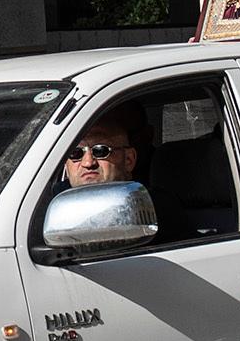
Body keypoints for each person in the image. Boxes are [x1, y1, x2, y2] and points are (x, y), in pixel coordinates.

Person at [58, 105, 197, 246]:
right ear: (65, 163)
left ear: (129, 160)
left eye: (100, 151)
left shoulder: (153, 206)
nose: (88, 162)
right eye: (76, 153)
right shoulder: (47, 202)